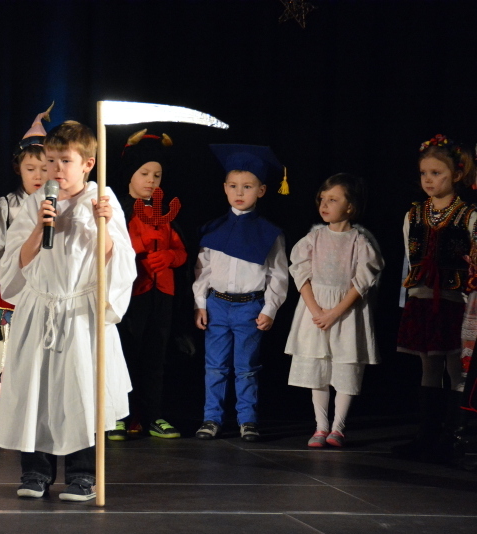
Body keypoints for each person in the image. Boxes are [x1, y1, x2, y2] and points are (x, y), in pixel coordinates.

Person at [0, 120, 136, 502]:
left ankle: (83, 475)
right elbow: (14, 265)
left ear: (88, 163)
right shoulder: (35, 202)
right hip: (40, 307)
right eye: (50, 161)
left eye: (65, 161)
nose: (56, 170)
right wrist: (40, 228)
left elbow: (119, 263)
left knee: (81, 390)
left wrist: (103, 226)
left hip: (80, 311)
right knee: (36, 391)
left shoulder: (102, 200)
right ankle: (36, 471)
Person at [193, 144, 289, 442]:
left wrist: (269, 308)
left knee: (246, 368)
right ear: (224, 188)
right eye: (233, 186)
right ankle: (211, 419)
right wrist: (200, 304)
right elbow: (203, 270)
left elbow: (278, 274)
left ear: (261, 191)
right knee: (215, 367)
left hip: (250, 307)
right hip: (217, 305)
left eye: (247, 187)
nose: (239, 192)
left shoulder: (270, 233)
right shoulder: (214, 229)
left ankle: (247, 420)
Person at [284, 173, 384, 447]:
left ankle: (338, 428)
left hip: (347, 313)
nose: (324, 205)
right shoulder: (313, 238)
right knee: (318, 367)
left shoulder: (359, 241)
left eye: (333, 200)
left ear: (350, 206)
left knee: (344, 368)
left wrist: (334, 312)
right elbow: (301, 275)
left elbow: (362, 282)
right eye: (322, 199)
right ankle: (320, 426)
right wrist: (317, 311)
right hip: (314, 311)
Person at [395, 134, 476, 461]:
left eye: (437, 173)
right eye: (424, 173)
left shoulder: (469, 214)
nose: (428, 180)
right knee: (428, 365)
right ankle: (426, 436)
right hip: (423, 298)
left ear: (457, 174)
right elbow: (409, 257)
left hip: (457, 302)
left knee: (457, 368)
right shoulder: (414, 214)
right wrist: (409, 296)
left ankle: (453, 438)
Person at [111, 129, 187, 441]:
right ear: (131, 174)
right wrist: (138, 253)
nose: (151, 180)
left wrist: (169, 256)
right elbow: (110, 249)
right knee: (125, 355)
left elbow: (182, 252)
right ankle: (119, 416)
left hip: (162, 294)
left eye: (157, 175)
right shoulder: (119, 210)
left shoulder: (165, 212)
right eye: (144, 173)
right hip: (130, 294)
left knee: (156, 357)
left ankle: (153, 415)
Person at [0, 104, 51, 399]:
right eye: (30, 169)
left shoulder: (60, 204)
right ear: (18, 168)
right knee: (5, 355)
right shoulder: (6, 204)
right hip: (11, 287)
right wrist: (20, 260)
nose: (37, 175)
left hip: (47, 288)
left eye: (44, 169)